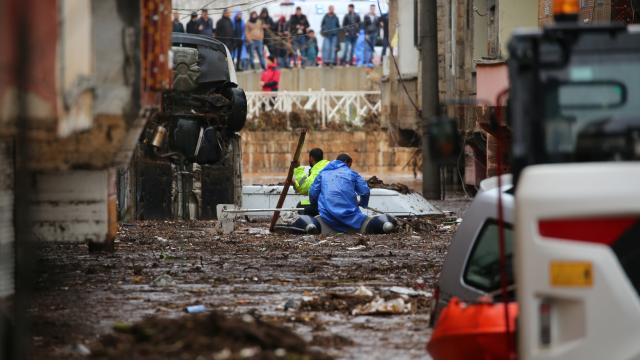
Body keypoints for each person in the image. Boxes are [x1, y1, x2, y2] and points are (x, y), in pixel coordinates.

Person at [309, 153, 371, 233]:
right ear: (347, 162)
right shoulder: (353, 174)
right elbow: (365, 192)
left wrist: (315, 206)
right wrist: (363, 204)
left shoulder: (323, 174)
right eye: (349, 165)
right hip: (351, 217)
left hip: (326, 216)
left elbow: (312, 193)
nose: (349, 168)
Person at [293, 148, 330, 216]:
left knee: (300, 206)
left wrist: (298, 169)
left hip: (323, 203)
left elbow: (305, 188)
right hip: (330, 201)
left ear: (311, 158)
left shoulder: (317, 170)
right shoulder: (328, 166)